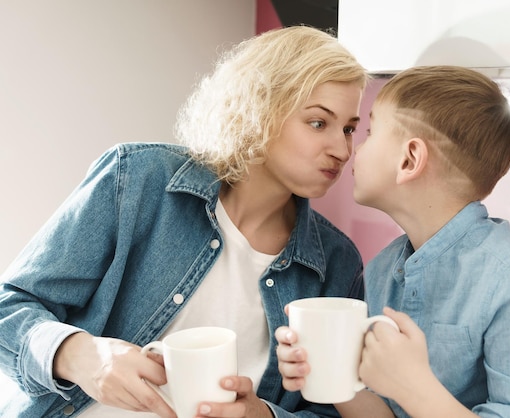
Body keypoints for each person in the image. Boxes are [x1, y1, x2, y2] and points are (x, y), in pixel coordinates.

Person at [0, 25, 369, 418]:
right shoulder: (137, 179)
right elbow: (11, 309)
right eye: (318, 123)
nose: (342, 149)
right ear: (259, 109)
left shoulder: (337, 262)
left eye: (349, 128)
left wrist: (264, 415)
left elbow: (331, 408)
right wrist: (82, 355)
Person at [275, 66, 510, 417]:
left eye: (370, 132)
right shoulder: (383, 269)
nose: (352, 150)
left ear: (410, 159)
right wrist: (328, 373)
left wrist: (413, 386)